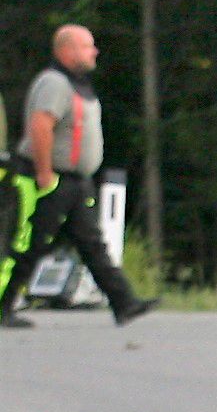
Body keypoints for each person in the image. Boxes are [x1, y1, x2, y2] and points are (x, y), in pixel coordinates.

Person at [2, 24, 151, 327]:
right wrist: (44, 174)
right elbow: (41, 126)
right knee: (26, 244)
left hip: (75, 182)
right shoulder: (55, 83)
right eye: (88, 46)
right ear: (67, 50)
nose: (94, 51)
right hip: (45, 178)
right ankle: (2, 305)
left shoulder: (77, 85)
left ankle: (124, 302)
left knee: (91, 243)